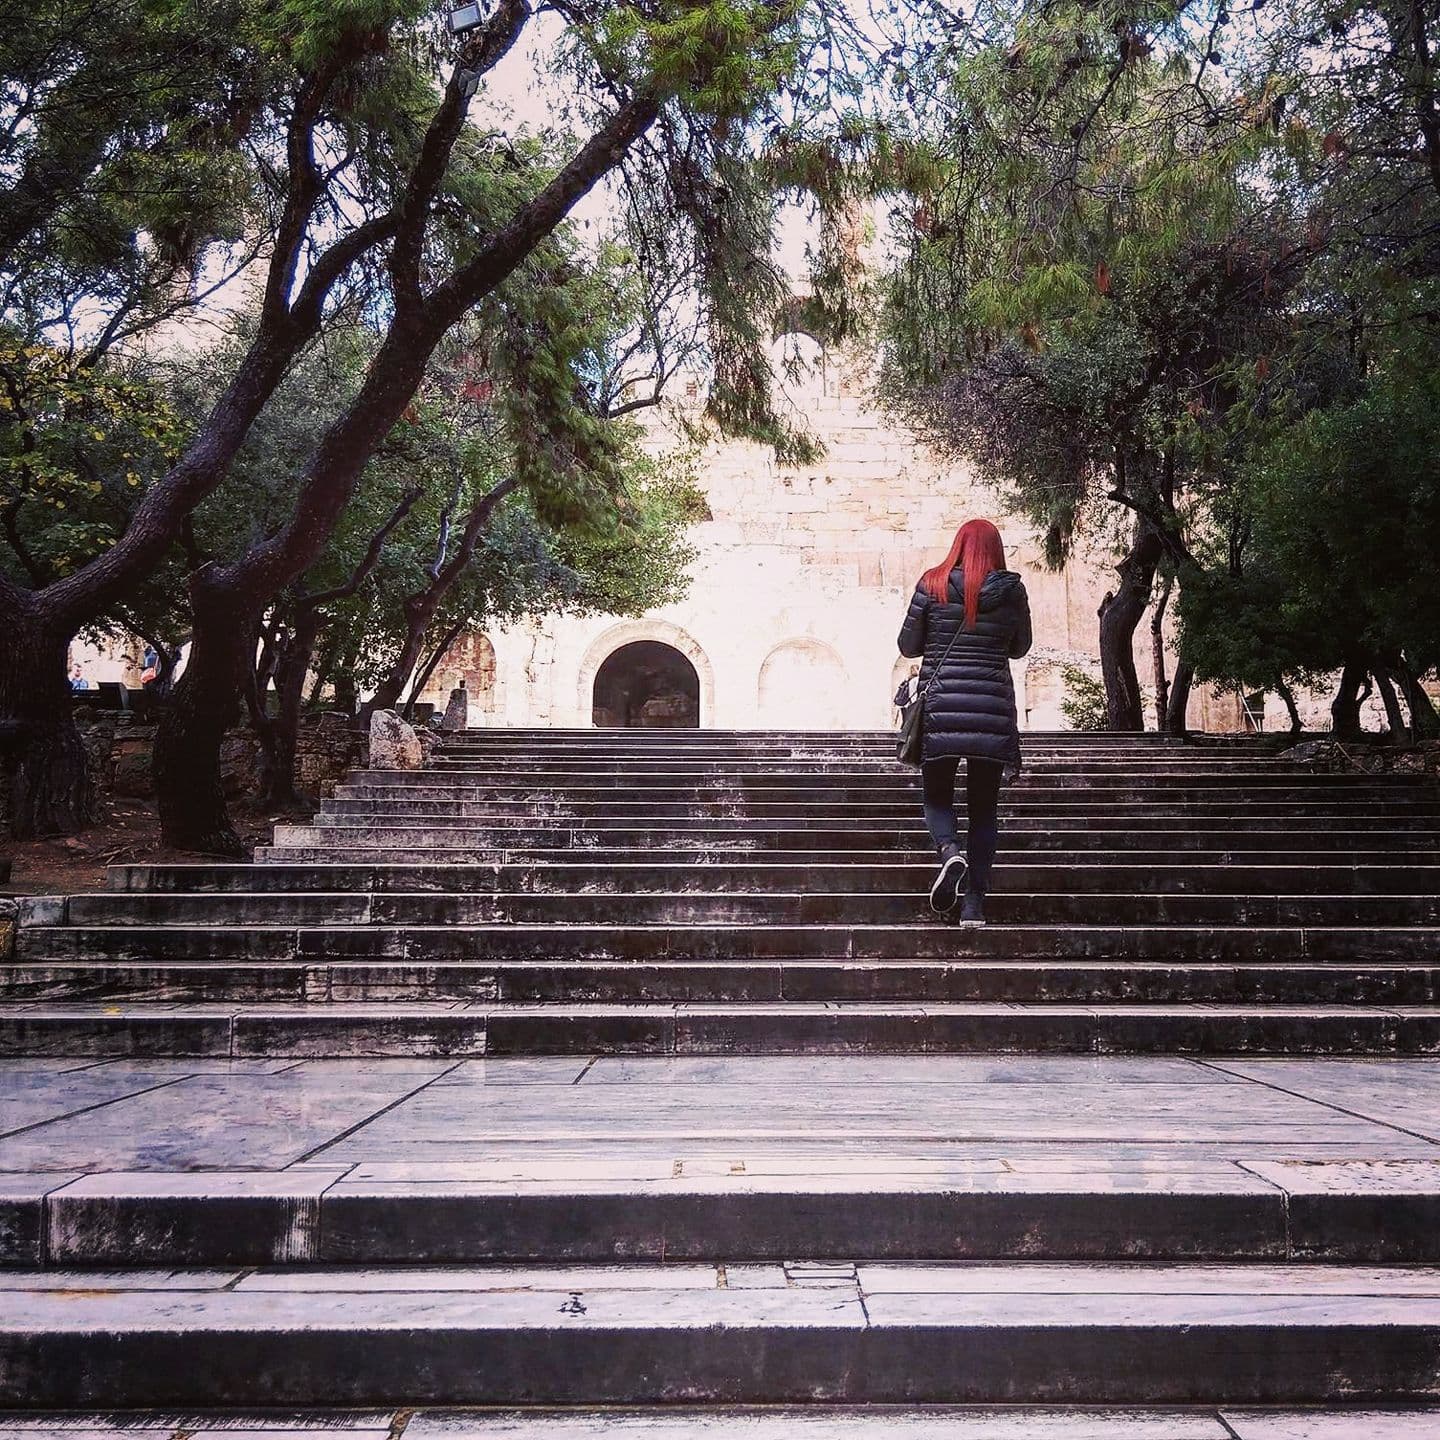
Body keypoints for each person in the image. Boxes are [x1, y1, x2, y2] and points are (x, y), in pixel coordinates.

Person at [897, 518, 1032, 925]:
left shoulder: (932, 583)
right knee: (984, 808)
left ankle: (949, 853)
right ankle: (974, 905)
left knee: (937, 797)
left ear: (957, 545)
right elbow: (1020, 647)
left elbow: (907, 645)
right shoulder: (1012, 591)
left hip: (941, 708)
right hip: (990, 709)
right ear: (996, 549)